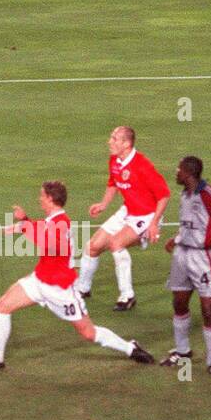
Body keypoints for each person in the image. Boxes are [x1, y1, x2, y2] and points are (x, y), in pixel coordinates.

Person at [0, 181, 154, 370]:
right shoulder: (52, 220)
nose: (39, 199)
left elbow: (49, 245)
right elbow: (37, 228)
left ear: (50, 199)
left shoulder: (62, 224)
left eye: (42, 196)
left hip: (60, 289)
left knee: (88, 333)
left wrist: (25, 227)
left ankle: (130, 348)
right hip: (39, 280)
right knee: (1, 306)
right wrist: (20, 223)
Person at [75, 126, 171, 311]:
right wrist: (103, 204)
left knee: (116, 244)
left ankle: (127, 295)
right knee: (92, 246)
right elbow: (113, 183)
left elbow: (164, 195)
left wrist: (154, 223)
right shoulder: (115, 160)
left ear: (126, 144)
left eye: (114, 138)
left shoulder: (142, 165)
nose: (109, 141)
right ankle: (82, 289)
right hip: (127, 211)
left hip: (146, 215)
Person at [161, 156, 211, 377]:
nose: (175, 172)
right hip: (182, 255)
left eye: (178, 169)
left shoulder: (209, 195)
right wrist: (177, 238)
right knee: (178, 303)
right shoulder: (185, 194)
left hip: (204, 259)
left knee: (207, 310)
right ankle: (182, 351)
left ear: (188, 173)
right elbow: (191, 224)